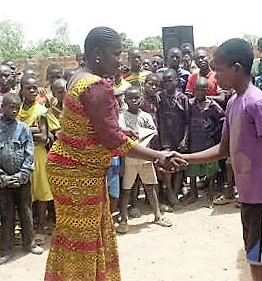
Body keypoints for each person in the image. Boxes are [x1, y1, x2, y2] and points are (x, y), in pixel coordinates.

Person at [44, 26, 184, 281]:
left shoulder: (79, 77)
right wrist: (158, 156)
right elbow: (114, 142)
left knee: (77, 234)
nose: (120, 60)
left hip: (70, 168)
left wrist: (119, 134)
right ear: (98, 53)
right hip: (78, 174)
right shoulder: (97, 87)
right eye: (116, 53)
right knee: (83, 239)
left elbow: (94, 128)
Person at [173, 38, 262, 281]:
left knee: (260, 260)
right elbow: (223, 149)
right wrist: (184, 157)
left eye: (218, 70)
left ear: (237, 68)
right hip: (248, 195)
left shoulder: (256, 102)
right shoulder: (234, 102)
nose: (215, 77)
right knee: (254, 257)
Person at [116, 87, 172, 233]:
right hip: (129, 158)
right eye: (130, 98)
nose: (133, 101)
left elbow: (153, 132)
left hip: (145, 157)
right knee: (126, 190)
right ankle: (123, 219)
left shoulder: (146, 116)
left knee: (150, 186)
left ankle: (157, 215)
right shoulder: (122, 116)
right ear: (125, 100)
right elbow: (120, 134)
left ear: (141, 99)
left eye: (136, 98)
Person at [0, 93, 44, 265]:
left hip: (22, 181)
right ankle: (7, 249)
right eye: (10, 107)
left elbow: (29, 154)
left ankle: (29, 243)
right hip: (3, 184)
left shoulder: (24, 129)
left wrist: (21, 175)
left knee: (26, 213)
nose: (14, 110)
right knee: (6, 216)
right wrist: (4, 178)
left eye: (17, 107)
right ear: (2, 107)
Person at [18, 75, 60, 245]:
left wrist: (23, 130)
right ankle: (27, 229)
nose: (33, 91)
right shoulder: (16, 109)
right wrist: (32, 129)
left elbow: (43, 137)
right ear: (21, 89)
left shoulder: (41, 111)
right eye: (29, 88)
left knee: (42, 193)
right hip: (20, 156)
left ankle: (41, 227)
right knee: (25, 194)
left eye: (35, 88)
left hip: (39, 154)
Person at [183, 77, 224, 206]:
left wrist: (214, 132)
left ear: (207, 90)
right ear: (194, 90)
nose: (200, 92)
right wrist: (184, 139)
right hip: (194, 141)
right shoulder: (189, 104)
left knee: (211, 168)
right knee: (192, 169)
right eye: (197, 89)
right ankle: (193, 193)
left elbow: (222, 118)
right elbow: (186, 123)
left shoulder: (212, 105)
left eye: (203, 89)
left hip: (208, 141)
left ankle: (211, 192)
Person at [157, 68, 189, 210]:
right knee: (167, 166)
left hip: (179, 136)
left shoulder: (183, 98)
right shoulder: (160, 97)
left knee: (179, 167)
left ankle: (175, 193)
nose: (167, 83)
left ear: (177, 81)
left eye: (170, 80)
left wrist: (185, 139)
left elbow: (187, 121)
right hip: (165, 137)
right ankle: (170, 193)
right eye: (164, 81)